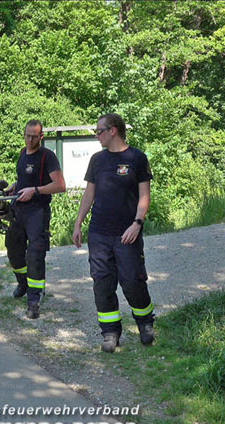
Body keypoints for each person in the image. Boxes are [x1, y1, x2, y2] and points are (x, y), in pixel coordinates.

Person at [72, 113, 155, 353]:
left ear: (113, 131)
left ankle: (145, 323)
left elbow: (144, 195)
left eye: (99, 131)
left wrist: (137, 223)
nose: (97, 135)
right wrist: (78, 223)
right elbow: (89, 194)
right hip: (99, 233)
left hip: (127, 233)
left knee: (132, 281)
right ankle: (110, 332)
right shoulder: (97, 160)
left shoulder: (137, 158)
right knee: (103, 283)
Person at [6, 119, 66, 319]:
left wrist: (35, 190)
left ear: (41, 137)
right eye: (27, 135)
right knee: (13, 249)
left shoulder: (47, 157)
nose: (30, 140)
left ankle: (34, 299)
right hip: (18, 210)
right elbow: (25, 178)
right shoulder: (23, 153)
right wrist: (16, 186)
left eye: (34, 136)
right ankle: (23, 283)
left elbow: (60, 185)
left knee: (35, 255)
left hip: (37, 212)